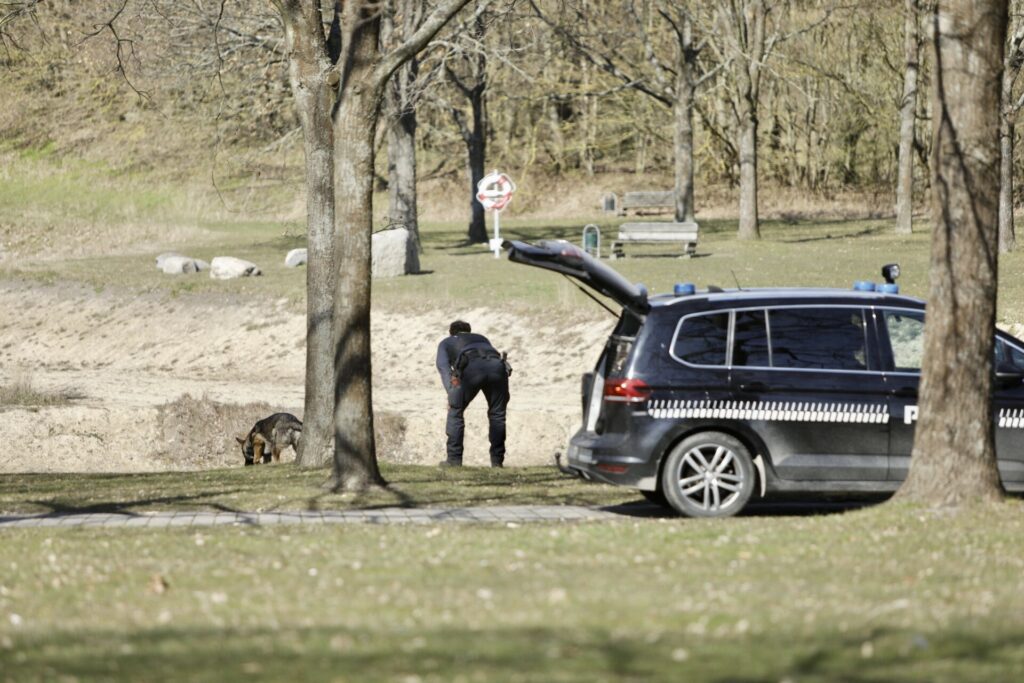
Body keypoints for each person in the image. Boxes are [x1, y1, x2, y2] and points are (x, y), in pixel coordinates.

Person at [436, 320, 510, 467]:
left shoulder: (446, 342)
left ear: (451, 332)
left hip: (472, 368)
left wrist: (452, 393)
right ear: (469, 331)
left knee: (455, 411)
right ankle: (497, 462)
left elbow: (443, 367)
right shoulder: (482, 338)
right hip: (498, 367)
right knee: (497, 415)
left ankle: (454, 460)